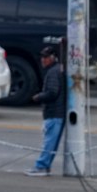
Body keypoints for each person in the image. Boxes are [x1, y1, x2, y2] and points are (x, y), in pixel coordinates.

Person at [25, 46, 66, 177]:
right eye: (42, 57)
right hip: (56, 112)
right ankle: (44, 166)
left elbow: (52, 92)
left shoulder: (53, 72)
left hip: (54, 112)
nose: (43, 60)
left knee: (49, 143)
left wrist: (38, 97)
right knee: (51, 143)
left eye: (46, 57)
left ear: (53, 58)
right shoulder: (56, 70)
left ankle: (41, 166)